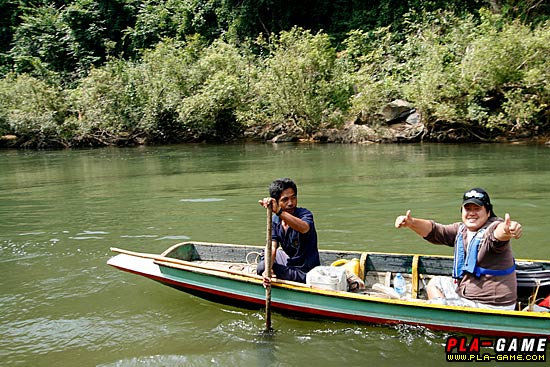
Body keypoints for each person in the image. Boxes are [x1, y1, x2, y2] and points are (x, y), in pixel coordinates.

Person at [394, 188, 523, 310]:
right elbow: (436, 231)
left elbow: (498, 235)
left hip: (490, 305)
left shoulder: (492, 229)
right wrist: (412, 223)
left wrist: (508, 229)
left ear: (488, 212)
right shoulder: (462, 230)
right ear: (462, 211)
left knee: (434, 305)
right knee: (435, 282)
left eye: (477, 209)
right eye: (468, 208)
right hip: (468, 294)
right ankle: (443, 320)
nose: (472, 213)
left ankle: (435, 314)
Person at [257, 178, 320, 285]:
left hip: (305, 272)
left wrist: (279, 211)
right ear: (276, 202)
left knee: (266, 267)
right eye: (285, 200)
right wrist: (267, 271)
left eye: (293, 198)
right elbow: (272, 247)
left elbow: (304, 228)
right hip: (290, 265)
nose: (291, 203)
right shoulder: (275, 221)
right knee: (263, 264)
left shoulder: (304, 214)